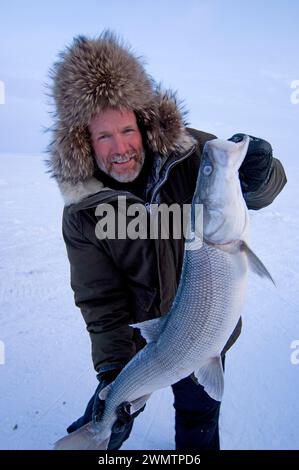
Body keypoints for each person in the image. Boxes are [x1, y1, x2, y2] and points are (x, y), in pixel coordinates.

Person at [47, 31, 286, 450]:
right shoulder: (84, 213)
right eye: (103, 136)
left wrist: (261, 177)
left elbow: (254, 192)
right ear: (83, 140)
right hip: (146, 342)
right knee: (117, 401)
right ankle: (102, 428)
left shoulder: (192, 152)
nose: (120, 148)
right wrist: (113, 374)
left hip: (209, 331)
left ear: (142, 119)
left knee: (199, 413)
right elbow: (101, 301)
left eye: (126, 129)